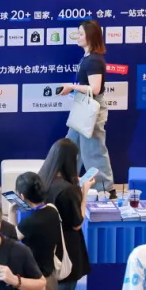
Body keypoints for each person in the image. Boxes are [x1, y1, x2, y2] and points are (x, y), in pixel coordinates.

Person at [37, 138, 92, 290]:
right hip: (67, 253)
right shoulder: (68, 190)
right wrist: (84, 192)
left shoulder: (42, 181)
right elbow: (77, 222)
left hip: (46, 251)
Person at [58, 19, 113, 192]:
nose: (78, 36)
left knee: (93, 150)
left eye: (81, 34)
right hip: (83, 109)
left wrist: (72, 87)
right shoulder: (88, 58)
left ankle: (105, 189)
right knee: (70, 146)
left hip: (91, 110)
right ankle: (67, 183)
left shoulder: (94, 60)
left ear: (90, 37)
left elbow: (95, 89)